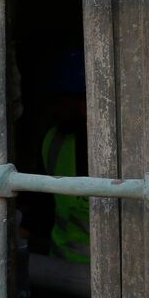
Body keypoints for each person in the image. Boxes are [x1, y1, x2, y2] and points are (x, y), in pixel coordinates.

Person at [41, 50, 90, 264]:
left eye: (61, 99)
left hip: (115, 281)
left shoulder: (128, 150)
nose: (54, 108)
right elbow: (44, 206)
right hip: (60, 273)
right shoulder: (53, 141)